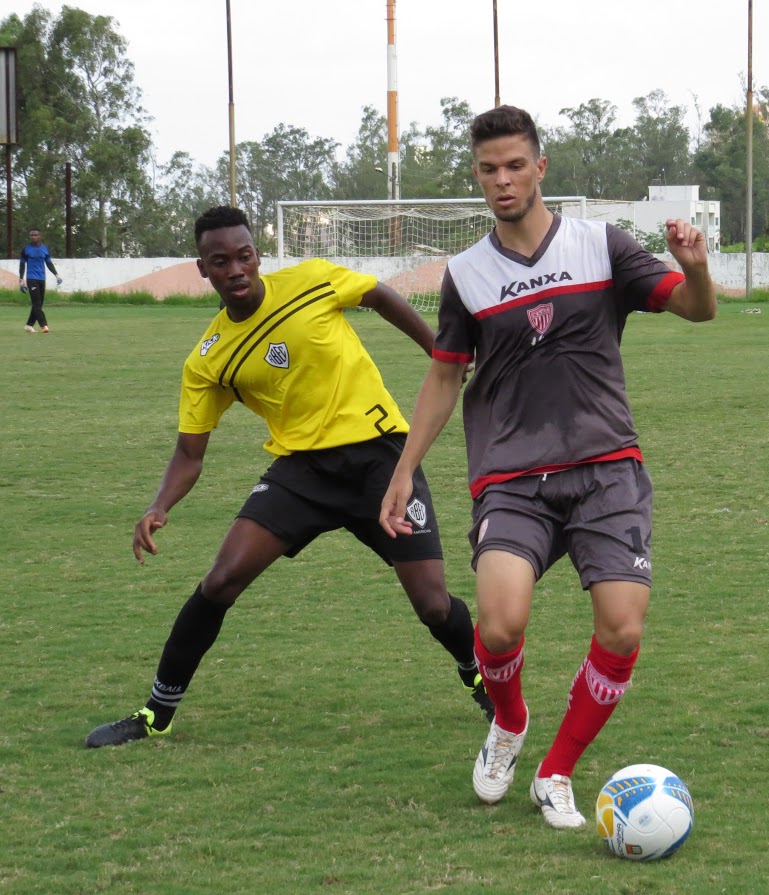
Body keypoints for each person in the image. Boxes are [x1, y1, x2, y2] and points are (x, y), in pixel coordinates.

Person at [378, 106, 717, 829]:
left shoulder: (601, 245)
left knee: (623, 627)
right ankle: (508, 722)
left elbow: (695, 309)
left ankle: (556, 770)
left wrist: (696, 267)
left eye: (513, 165)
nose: (501, 181)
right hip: (511, 473)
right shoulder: (466, 275)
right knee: (499, 625)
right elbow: (444, 377)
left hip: (606, 466)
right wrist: (405, 468)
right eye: (487, 170)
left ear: (540, 166)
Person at [85, 205, 492, 748]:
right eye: (220, 261)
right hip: (301, 474)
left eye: (244, 256)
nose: (236, 269)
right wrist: (160, 505)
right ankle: (156, 713)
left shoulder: (310, 281)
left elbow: (378, 295)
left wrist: (440, 353)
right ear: (202, 268)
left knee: (433, 603)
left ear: (257, 254)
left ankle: (479, 677)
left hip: (380, 462)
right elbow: (189, 453)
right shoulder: (208, 360)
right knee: (220, 580)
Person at [19, 228, 62, 333]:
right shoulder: (26, 249)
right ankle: (44, 326)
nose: (33, 237)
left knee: (38, 304)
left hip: (42, 279)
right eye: (31, 235)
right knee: (37, 304)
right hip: (31, 279)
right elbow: (22, 264)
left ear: (40, 236)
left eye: (35, 235)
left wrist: (57, 275)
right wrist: (21, 279)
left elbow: (49, 263)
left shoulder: (45, 249)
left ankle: (29, 325)